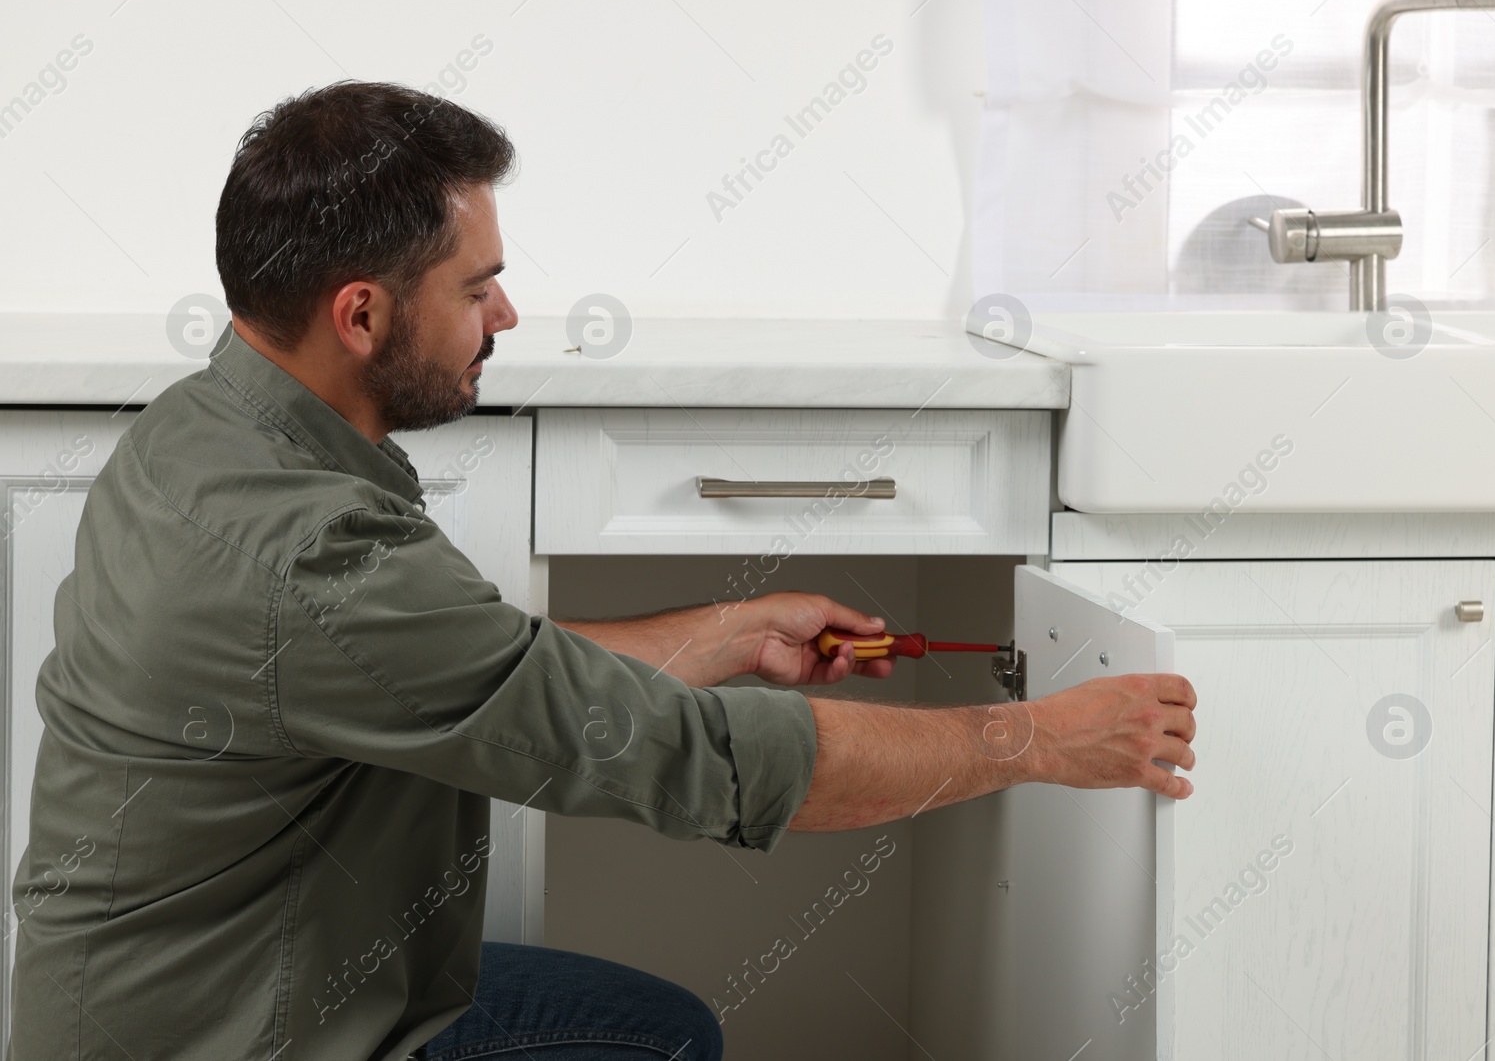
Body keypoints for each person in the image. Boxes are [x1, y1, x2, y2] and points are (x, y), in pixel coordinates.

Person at [7, 81, 1196, 1061]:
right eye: (475, 288)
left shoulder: (210, 430)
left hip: (205, 988)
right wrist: (1038, 740)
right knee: (663, 1044)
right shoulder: (308, 556)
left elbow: (491, 679)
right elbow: (707, 764)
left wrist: (731, 630)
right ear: (361, 314)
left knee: (655, 1025)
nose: (508, 313)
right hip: (243, 1030)